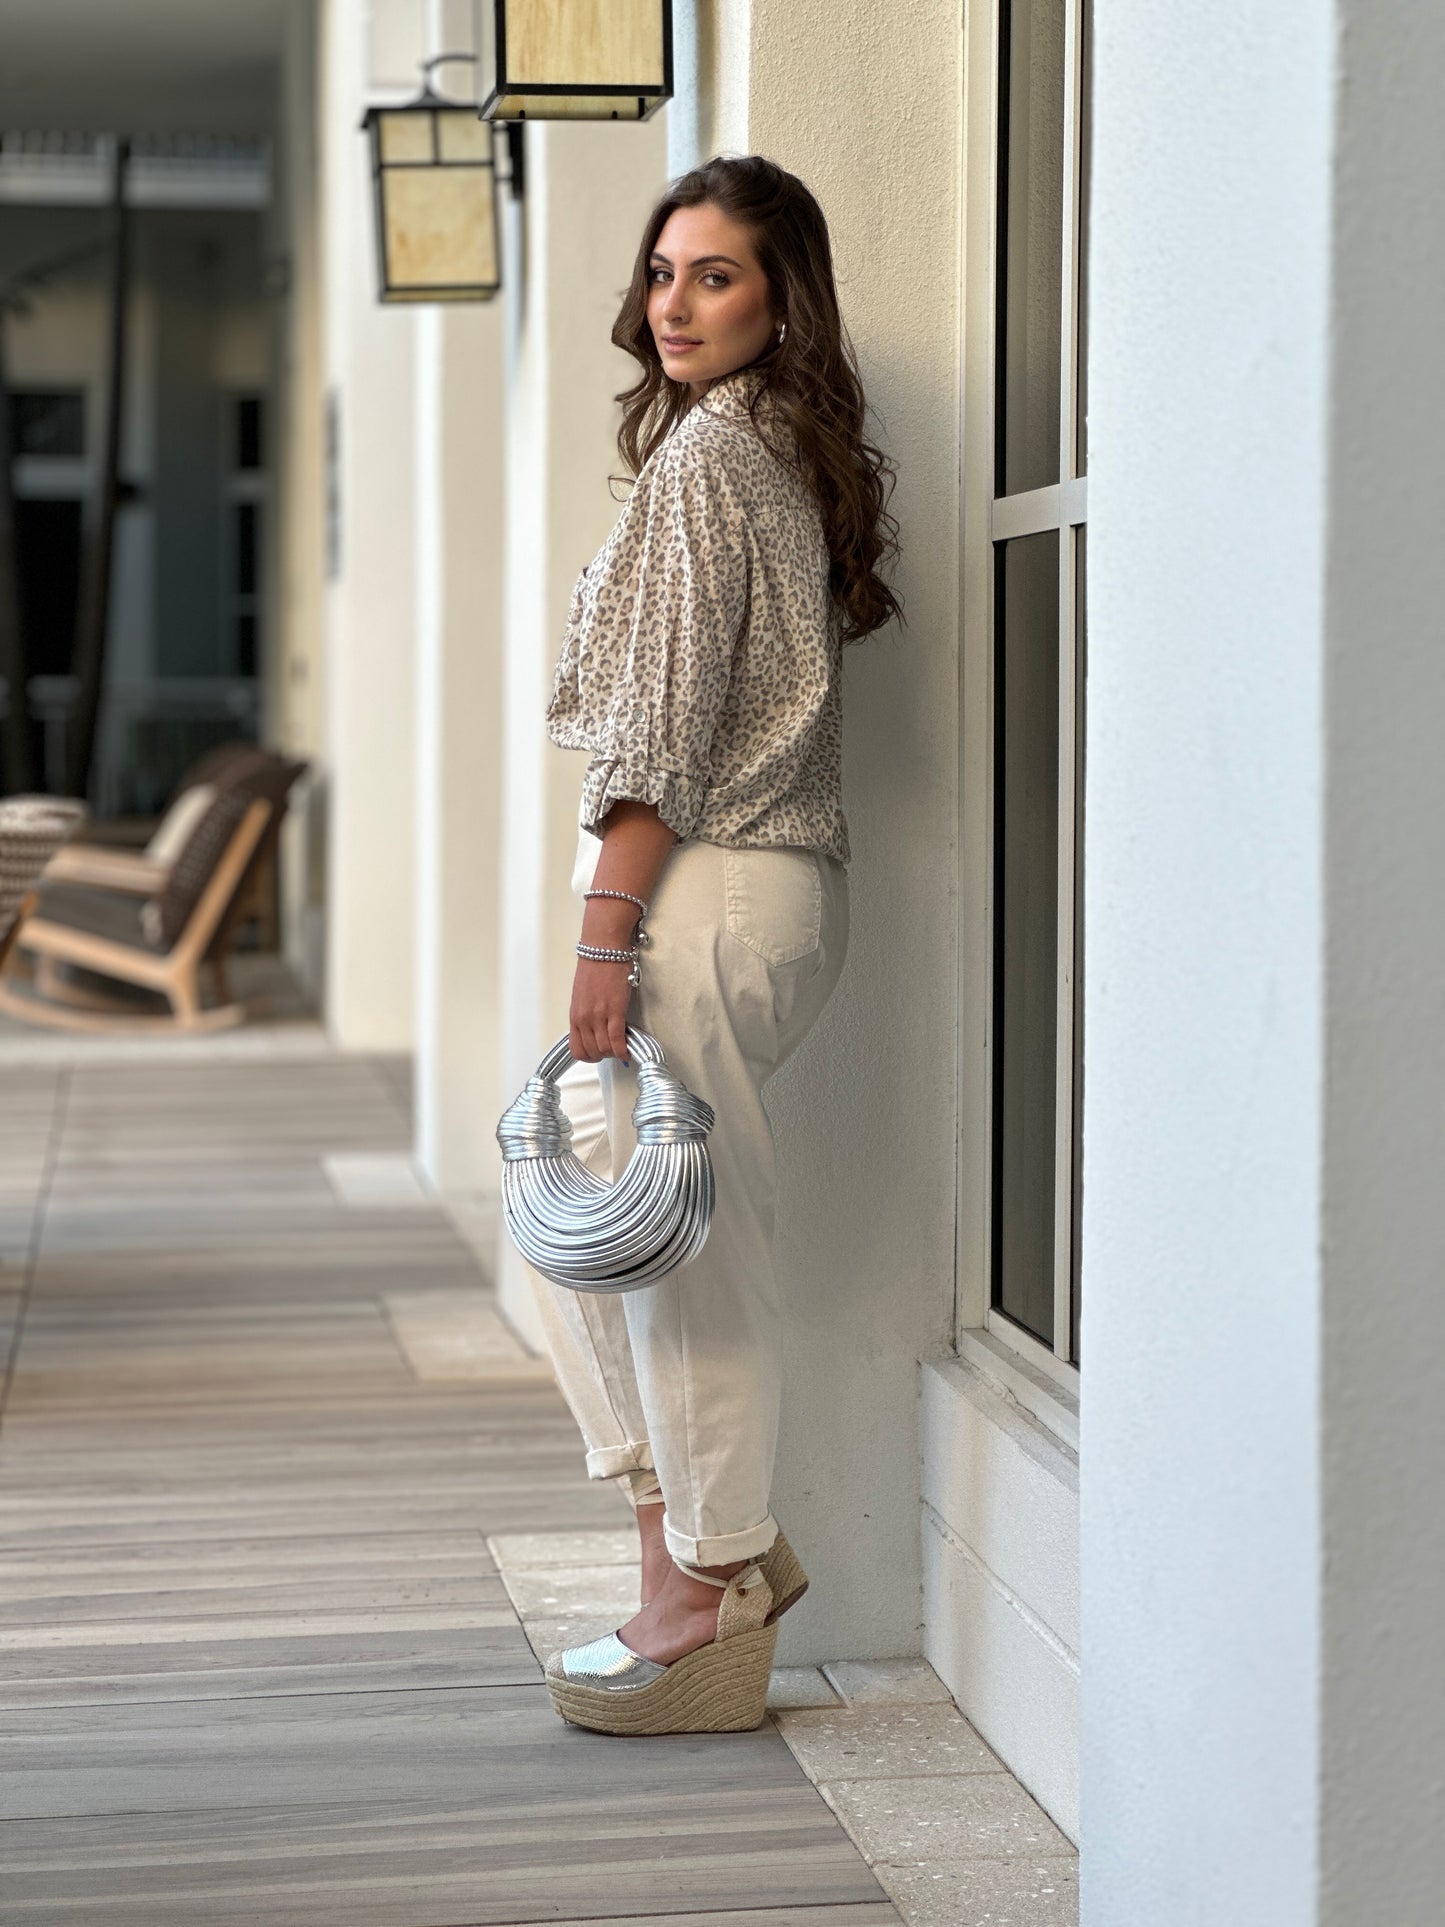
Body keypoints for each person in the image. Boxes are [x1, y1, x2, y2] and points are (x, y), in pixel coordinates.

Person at [528, 153, 902, 1736]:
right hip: (741, 891)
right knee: (608, 1239)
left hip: (700, 887)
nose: (675, 304)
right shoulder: (749, 444)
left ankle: (713, 1579)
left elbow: (665, 730)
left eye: (716, 276)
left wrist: (605, 928)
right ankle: (686, 1562)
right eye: (663, 272)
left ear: (779, 297)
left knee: (678, 1256)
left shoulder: (711, 459)